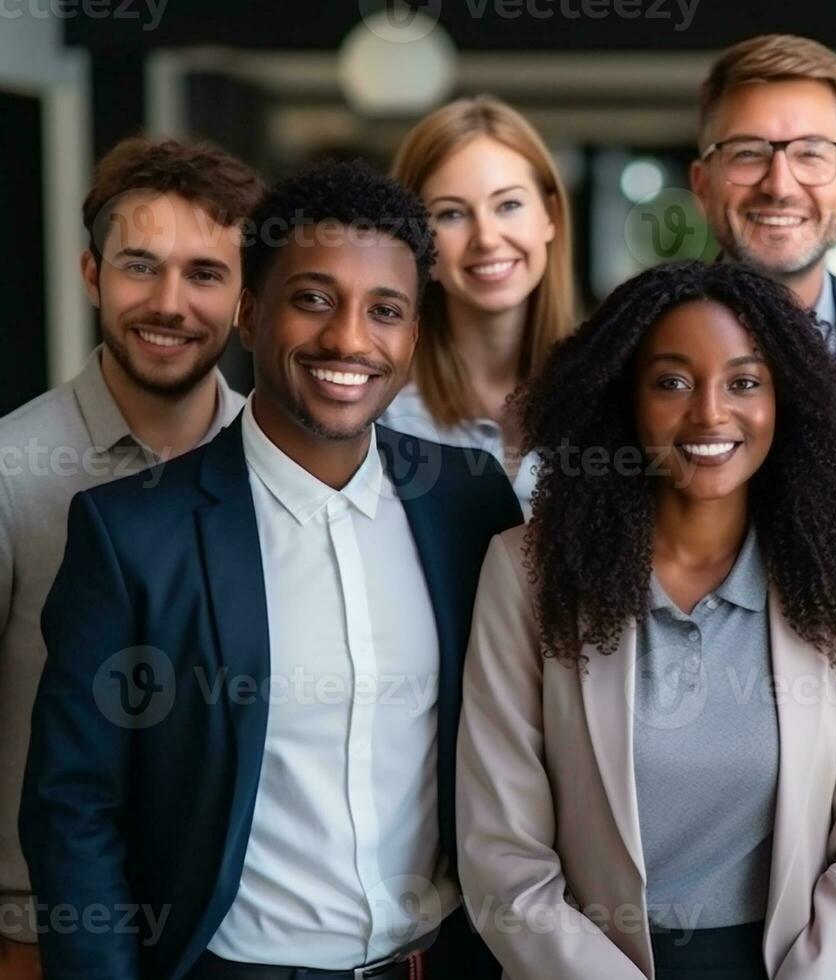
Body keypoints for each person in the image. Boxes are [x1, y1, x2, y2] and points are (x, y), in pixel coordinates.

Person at [20, 160, 520, 980]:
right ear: (250, 314)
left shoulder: (468, 504)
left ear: (413, 337)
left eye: (384, 311)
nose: (349, 340)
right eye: (314, 298)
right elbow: (74, 807)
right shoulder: (131, 533)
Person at [456, 260, 836, 979]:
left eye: (744, 382)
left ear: (783, 399)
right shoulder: (529, 574)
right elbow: (503, 861)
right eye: (671, 382)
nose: (709, 413)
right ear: (625, 401)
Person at [0, 136, 260, 980]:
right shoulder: (9, 474)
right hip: (38, 942)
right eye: (140, 267)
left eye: (205, 273)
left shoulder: (279, 473)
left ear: (246, 295)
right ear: (90, 275)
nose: (170, 303)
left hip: (235, 942)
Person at [691, 33, 836, 533]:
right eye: (748, 153)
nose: (780, 185)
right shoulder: (635, 348)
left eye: (811, 153)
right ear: (703, 185)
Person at [383, 94, 575, 516]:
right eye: (451, 214)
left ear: (551, 216)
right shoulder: (380, 410)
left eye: (508, 205)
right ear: (417, 240)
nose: (486, 238)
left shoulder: (609, 394)